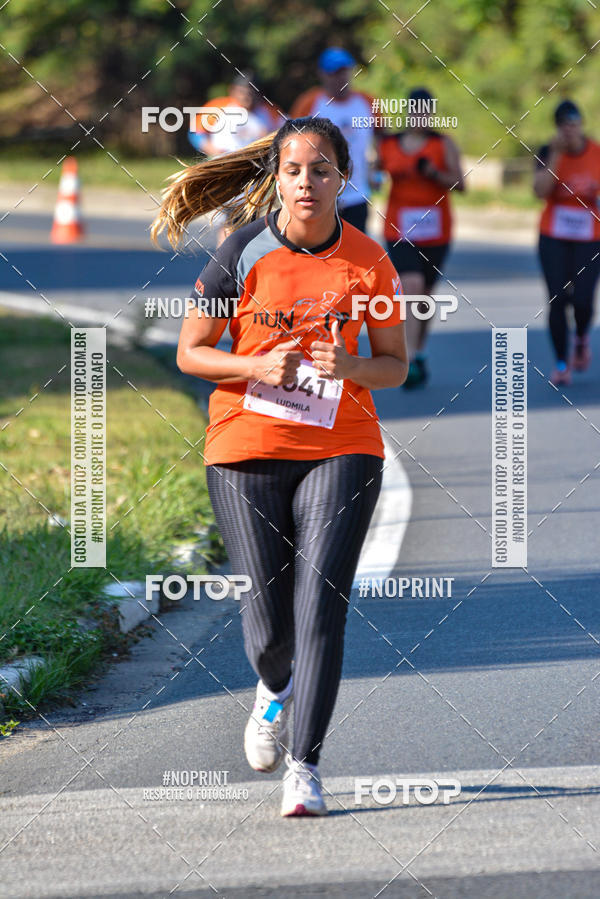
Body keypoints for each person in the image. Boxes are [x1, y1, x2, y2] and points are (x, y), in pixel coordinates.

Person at [151, 117, 407, 816]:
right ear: (277, 179)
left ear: (341, 180)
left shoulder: (369, 261)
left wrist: (351, 365)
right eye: (293, 170)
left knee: (321, 606)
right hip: (244, 445)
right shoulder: (241, 250)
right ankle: (273, 688)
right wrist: (254, 363)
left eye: (320, 169)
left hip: (342, 445)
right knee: (269, 627)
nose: (306, 182)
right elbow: (191, 352)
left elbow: (395, 364)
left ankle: (307, 766)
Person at [378, 88, 465, 388]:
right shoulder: (389, 143)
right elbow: (375, 174)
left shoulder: (442, 144)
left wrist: (434, 174)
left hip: (436, 230)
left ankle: (420, 350)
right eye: (415, 110)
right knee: (411, 285)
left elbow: (460, 184)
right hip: (399, 228)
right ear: (408, 112)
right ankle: (410, 357)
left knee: (425, 294)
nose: (420, 116)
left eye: (425, 111)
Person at [534, 99, 600, 386]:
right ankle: (561, 363)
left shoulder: (596, 153)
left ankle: (582, 337)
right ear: (557, 129)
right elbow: (539, 191)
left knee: (583, 300)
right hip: (554, 236)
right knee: (557, 300)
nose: (571, 131)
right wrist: (556, 157)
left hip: (589, 237)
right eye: (565, 126)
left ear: (581, 125)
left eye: (575, 124)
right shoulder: (548, 152)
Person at [289, 48, 379, 233]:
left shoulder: (367, 102)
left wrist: (378, 172)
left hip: (357, 194)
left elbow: (382, 140)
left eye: (343, 71)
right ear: (322, 74)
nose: (339, 78)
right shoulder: (310, 102)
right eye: (333, 72)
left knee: (355, 253)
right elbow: (290, 144)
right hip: (319, 195)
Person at [188, 72, 283, 245]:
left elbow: (286, 136)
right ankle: (224, 260)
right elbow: (195, 133)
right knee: (228, 225)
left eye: (252, 92)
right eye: (243, 91)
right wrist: (212, 149)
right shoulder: (218, 108)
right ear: (233, 91)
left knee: (249, 224)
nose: (247, 96)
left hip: (254, 179)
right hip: (225, 176)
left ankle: (238, 262)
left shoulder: (269, 112)